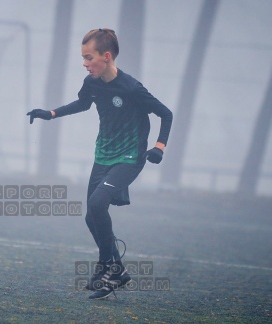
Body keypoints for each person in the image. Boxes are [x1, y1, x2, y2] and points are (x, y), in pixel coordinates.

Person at [27, 28, 173, 300]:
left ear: (106, 57)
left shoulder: (131, 88)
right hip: (103, 155)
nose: (84, 63)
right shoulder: (91, 83)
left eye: (88, 57)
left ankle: (110, 267)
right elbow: (83, 104)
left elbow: (166, 113)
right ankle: (115, 268)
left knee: (96, 204)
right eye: (83, 58)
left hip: (130, 158)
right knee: (90, 215)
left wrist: (159, 147)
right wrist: (50, 114)